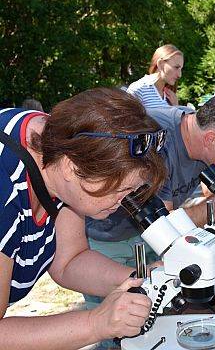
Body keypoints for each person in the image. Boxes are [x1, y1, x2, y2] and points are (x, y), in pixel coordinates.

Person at [0, 88, 167, 348]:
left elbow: (69, 261)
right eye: (121, 189)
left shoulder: (61, 148)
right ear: (71, 167)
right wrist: (95, 324)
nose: (124, 202)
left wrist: (143, 280)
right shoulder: (5, 191)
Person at [85, 93, 215, 308]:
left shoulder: (198, 127)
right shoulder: (158, 144)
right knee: (118, 326)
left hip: (146, 240)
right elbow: (167, 229)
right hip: (109, 242)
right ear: (211, 139)